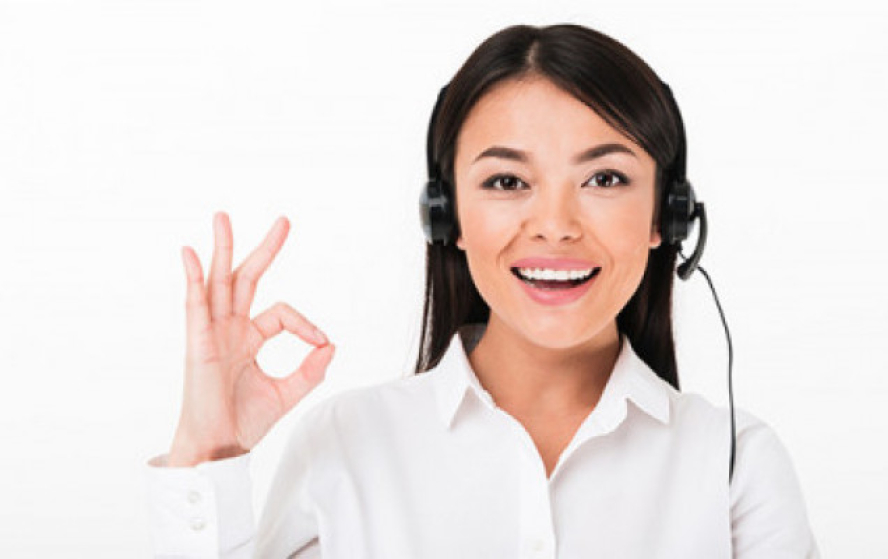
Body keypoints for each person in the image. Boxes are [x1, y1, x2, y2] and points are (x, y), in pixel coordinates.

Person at [144, 23, 820, 558]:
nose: (555, 225)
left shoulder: (734, 464)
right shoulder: (345, 445)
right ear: (447, 217)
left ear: (665, 218)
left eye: (605, 179)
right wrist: (206, 456)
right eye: (506, 181)